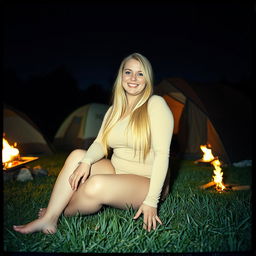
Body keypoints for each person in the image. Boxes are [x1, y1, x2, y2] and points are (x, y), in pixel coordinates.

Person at [13, 52, 174, 234]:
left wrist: (152, 201)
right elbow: (100, 143)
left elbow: (162, 155)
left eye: (140, 73)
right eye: (128, 72)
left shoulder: (155, 104)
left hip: (148, 182)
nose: (133, 78)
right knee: (77, 156)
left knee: (96, 185)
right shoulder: (114, 110)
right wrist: (86, 162)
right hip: (117, 171)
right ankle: (50, 218)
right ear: (121, 76)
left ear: (148, 79)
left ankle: (62, 213)